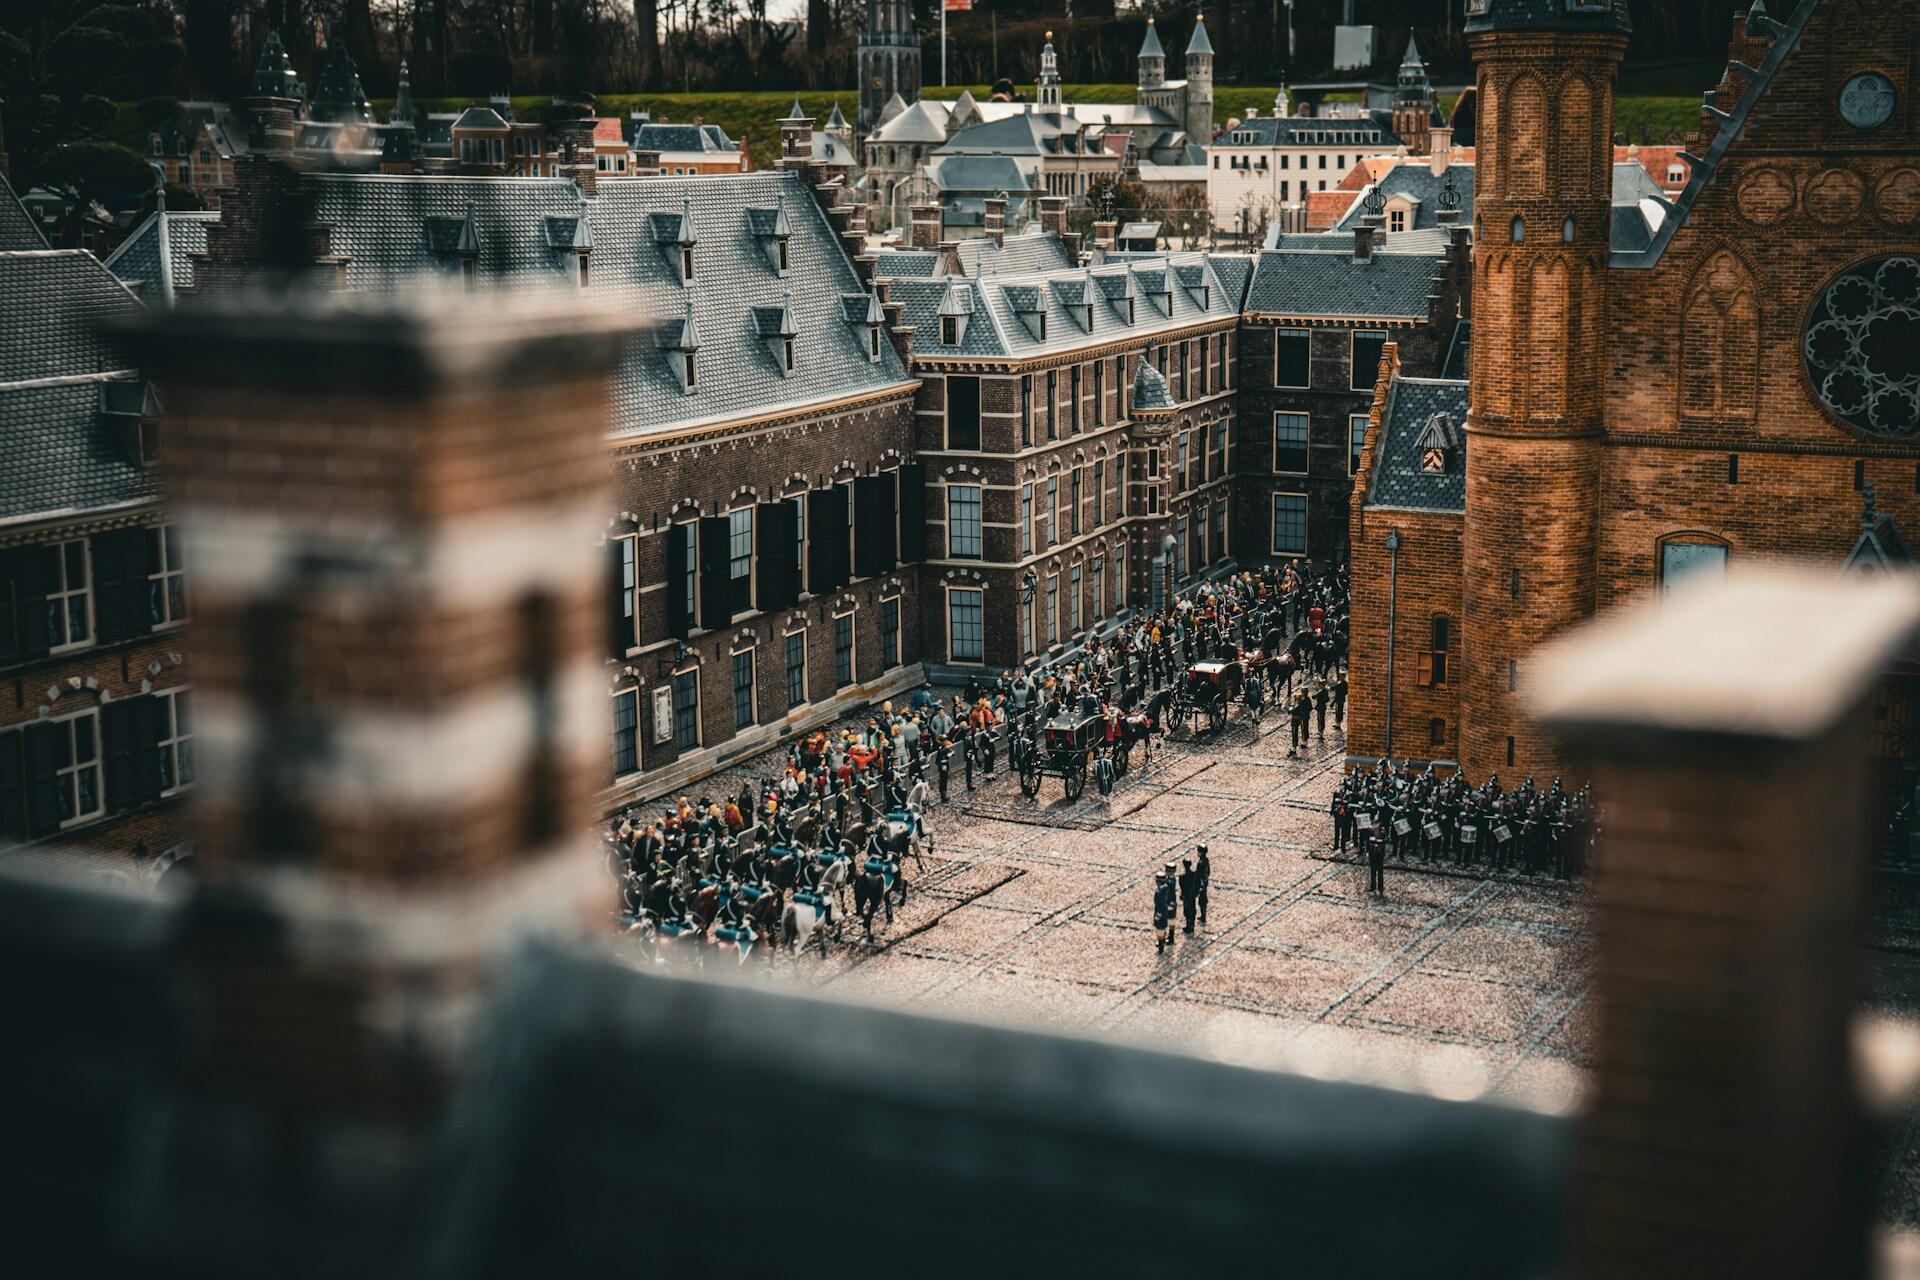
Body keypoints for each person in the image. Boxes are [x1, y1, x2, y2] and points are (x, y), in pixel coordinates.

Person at [1153, 871, 1175, 954]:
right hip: (1165, 910)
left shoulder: (1159, 892)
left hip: (1160, 911)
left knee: (1160, 929)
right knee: (1164, 927)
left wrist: (1157, 915)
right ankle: (1163, 942)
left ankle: (1161, 946)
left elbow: (1159, 904)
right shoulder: (1166, 887)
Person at [1178, 858, 1199, 935]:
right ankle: (1192, 926)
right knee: (1192, 910)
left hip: (1186, 896)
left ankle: (1188, 926)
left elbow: (1182, 887)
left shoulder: (1182, 877)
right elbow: (1197, 884)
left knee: (1187, 911)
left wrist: (1182, 895)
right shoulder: (1194, 874)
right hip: (1192, 896)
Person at [1366, 822, 1387, 896]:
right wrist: (1368, 851)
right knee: (1373, 872)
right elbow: (1368, 842)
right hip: (1372, 854)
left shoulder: (1382, 831)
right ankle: (1372, 887)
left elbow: (1385, 840)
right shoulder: (1370, 831)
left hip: (1379, 854)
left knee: (1380, 872)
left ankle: (1380, 888)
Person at [1194, 844, 1210, 925]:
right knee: (1203, 899)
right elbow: (1208, 871)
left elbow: (1198, 874)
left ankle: (1203, 917)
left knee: (1202, 900)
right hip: (1205, 882)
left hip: (1201, 883)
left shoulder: (1200, 863)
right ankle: (1203, 915)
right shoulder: (1206, 860)